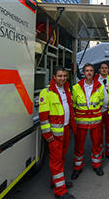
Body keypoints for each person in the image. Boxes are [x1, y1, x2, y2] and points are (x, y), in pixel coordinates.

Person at [38, 66, 76, 199]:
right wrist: (48, 135)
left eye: (65, 76)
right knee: (56, 161)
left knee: (61, 158)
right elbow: (43, 117)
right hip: (54, 134)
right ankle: (60, 191)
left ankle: (56, 181)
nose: (63, 78)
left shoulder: (66, 90)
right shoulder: (46, 92)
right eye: (60, 76)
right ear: (54, 77)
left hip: (65, 130)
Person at [71, 63, 105, 179]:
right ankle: (77, 167)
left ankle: (97, 165)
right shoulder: (76, 87)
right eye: (86, 70)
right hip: (81, 122)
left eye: (91, 70)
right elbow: (74, 105)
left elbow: (101, 102)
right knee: (79, 145)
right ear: (83, 73)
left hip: (96, 121)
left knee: (97, 144)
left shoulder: (99, 86)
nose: (89, 72)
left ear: (94, 73)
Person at [93, 61, 109, 161]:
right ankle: (99, 153)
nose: (104, 70)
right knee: (98, 134)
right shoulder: (94, 79)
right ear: (99, 69)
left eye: (106, 68)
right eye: (102, 68)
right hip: (98, 111)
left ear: (108, 70)